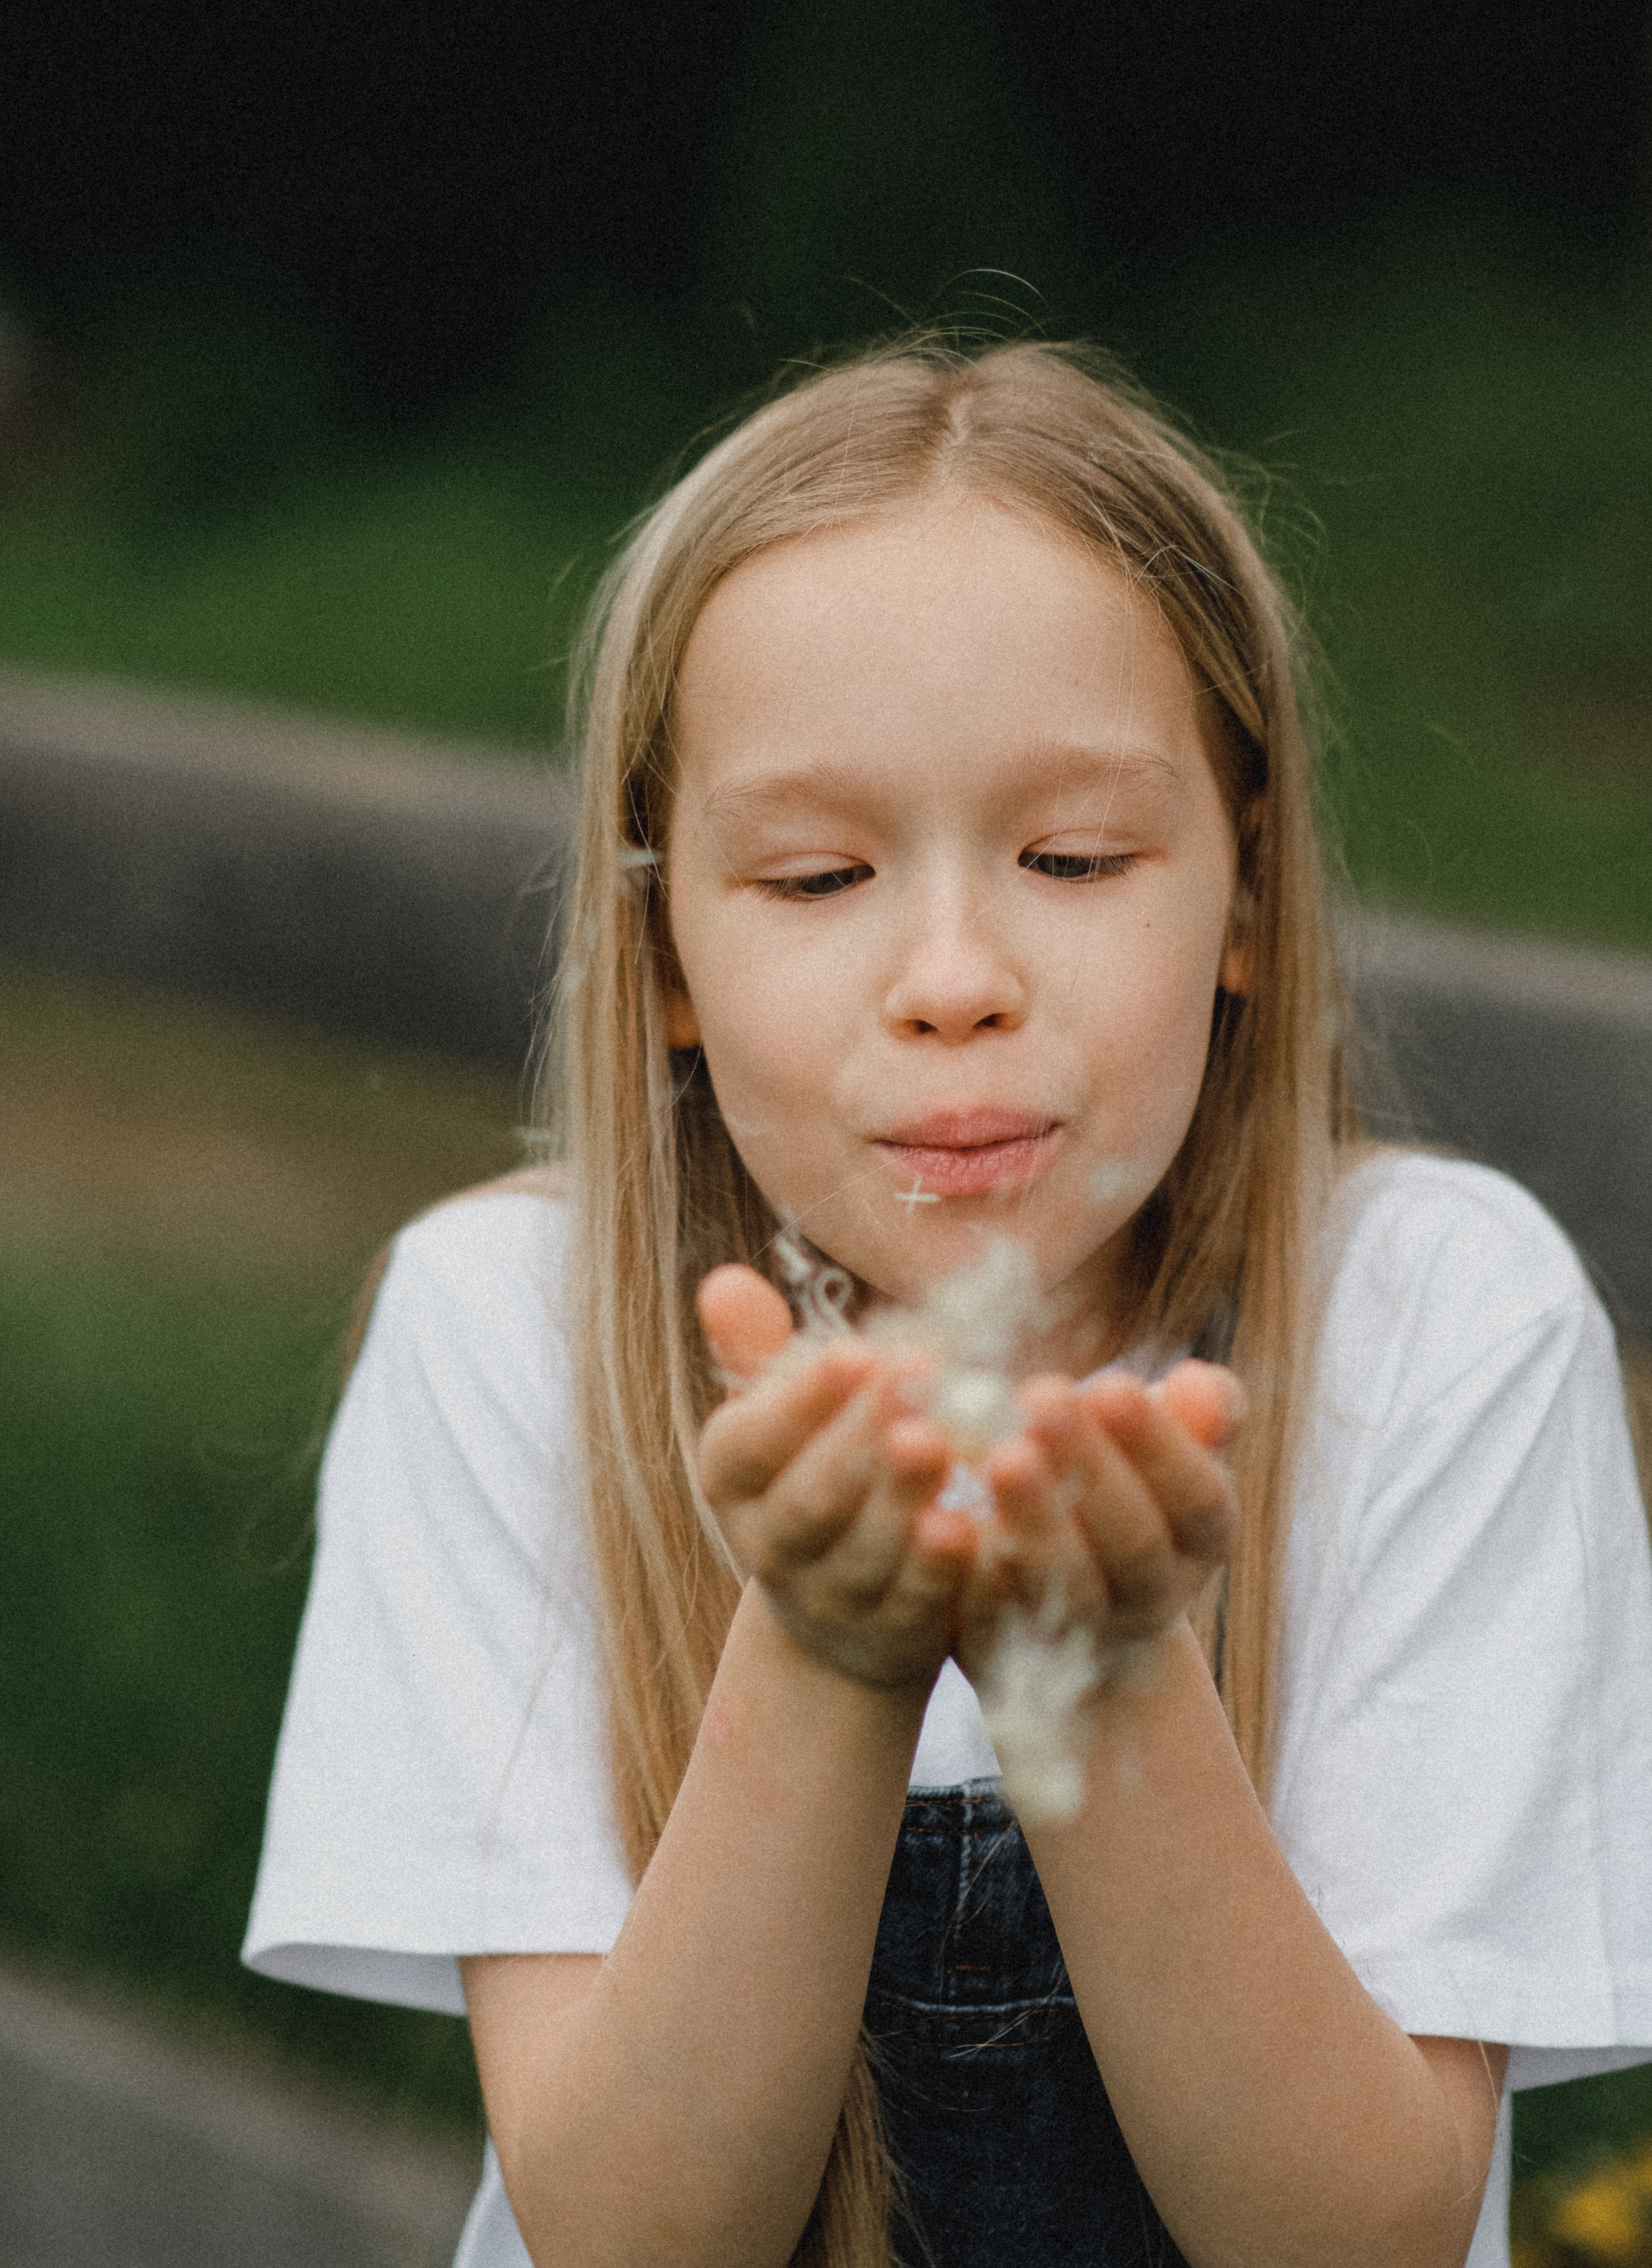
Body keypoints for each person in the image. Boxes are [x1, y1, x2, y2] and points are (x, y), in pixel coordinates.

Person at [244, 339, 1652, 2268]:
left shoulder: (1443, 1324)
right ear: (665, 941)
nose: (954, 976)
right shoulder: (503, 1327)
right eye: (819, 876)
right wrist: (824, 1652)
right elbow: (635, 2235)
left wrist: (1103, 1674)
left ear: (1244, 883)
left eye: (1073, 856)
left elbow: (1358, 2236)